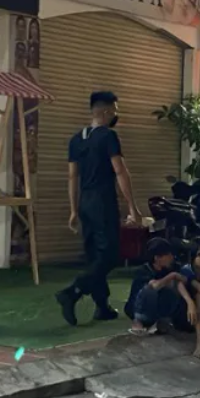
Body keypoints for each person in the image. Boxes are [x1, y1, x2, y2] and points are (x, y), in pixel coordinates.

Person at [57, 91, 142, 326]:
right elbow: (120, 171)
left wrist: (74, 209)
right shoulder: (108, 137)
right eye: (115, 110)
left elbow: (72, 177)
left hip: (85, 202)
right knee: (110, 255)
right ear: (106, 111)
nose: (116, 115)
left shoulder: (76, 139)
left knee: (95, 255)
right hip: (103, 201)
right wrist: (133, 207)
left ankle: (102, 307)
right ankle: (73, 291)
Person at [124, 238, 197, 337]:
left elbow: (183, 281)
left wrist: (190, 302)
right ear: (157, 258)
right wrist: (172, 276)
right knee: (150, 288)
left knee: (173, 285)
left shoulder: (171, 267)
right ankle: (138, 321)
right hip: (138, 310)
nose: (172, 257)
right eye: (168, 255)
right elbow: (154, 286)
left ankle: (162, 320)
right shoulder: (144, 271)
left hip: (158, 310)